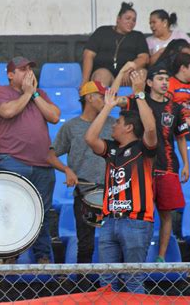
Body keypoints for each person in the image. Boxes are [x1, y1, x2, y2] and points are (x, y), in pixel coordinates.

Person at [85, 70, 157, 293]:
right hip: (109, 221)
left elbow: (151, 128)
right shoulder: (112, 149)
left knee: (134, 280)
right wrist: (107, 106)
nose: (113, 125)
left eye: (118, 122)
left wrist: (139, 95)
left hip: (135, 221)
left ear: (129, 128)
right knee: (106, 284)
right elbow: (90, 138)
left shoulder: (144, 148)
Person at [0, 56, 60, 263]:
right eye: (22, 69)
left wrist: (35, 94)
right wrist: (27, 93)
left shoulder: (40, 94)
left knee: (43, 213)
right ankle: (8, 254)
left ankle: (43, 255)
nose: (28, 72)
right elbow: (8, 111)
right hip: (14, 160)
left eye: (30, 68)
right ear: (10, 75)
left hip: (43, 165)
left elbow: (54, 116)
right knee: (11, 209)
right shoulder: (0, 92)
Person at [119, 67, 189, 262]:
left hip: (167, 168)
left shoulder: (175, 108)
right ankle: (137, 258)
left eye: (167, 78)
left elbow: (181, 138)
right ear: (149, 83)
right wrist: (122, 78)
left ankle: (161, 257)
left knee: (167, 215)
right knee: (142, 214)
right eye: (160, 78)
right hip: (142, 169)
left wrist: (186, 164)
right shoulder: (136, 101)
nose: (165, 82)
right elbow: (114, 101)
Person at [50, 80, 116, 264]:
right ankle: (85, 287)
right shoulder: (71, 127)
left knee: (113, 241)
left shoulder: (115, 124)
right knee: (85, 244)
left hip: (113, 191)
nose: (105, 99)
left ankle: (112, 286)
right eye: (101, 96)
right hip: (85, 192)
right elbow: (50, 155)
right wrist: (66, 170)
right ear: (89, 98)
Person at [82, 2, 149, 87]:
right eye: (128, 18)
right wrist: (84, 81)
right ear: (118, 19)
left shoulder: (138, 36)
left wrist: (127, 70)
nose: (131, 22)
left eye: (134, 20)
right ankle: (102, 100)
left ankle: (137, 100)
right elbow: (88, 54)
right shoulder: (102, 31)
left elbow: (144, 58)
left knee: (142, 73)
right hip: (105, 74)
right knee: (102, 75)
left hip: (126, 77)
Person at [167, 53, 190, 140]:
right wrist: (182, 119)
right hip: (180, 121)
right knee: (183, 128)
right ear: (183, 68)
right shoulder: (170, 83)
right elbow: (167, 106)